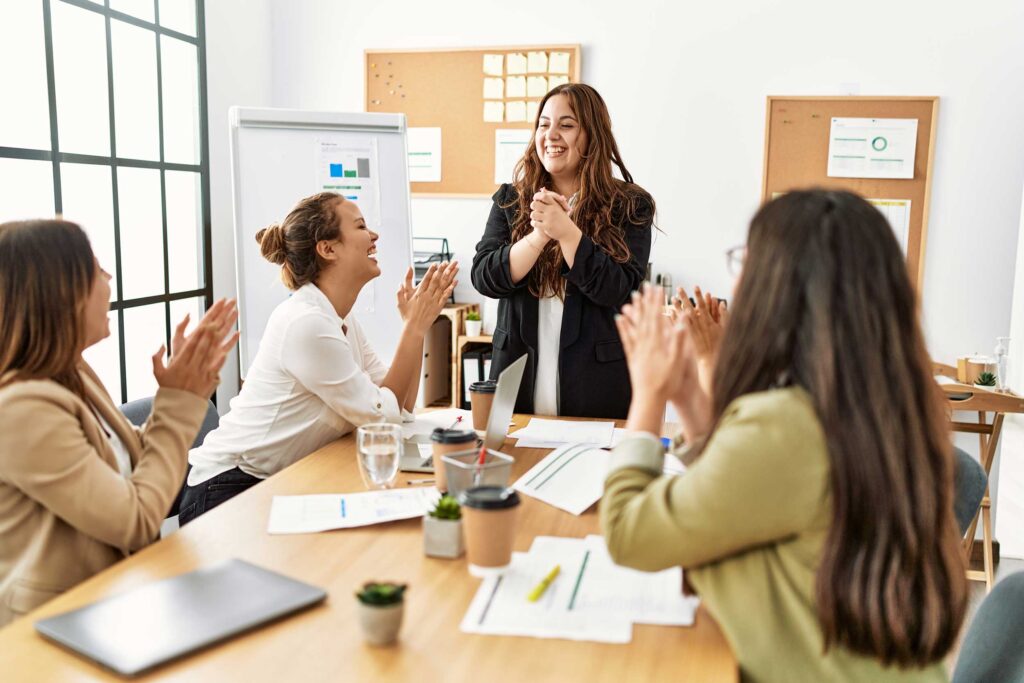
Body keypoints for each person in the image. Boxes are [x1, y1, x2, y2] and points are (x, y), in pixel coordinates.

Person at [603, 190, 966, 681]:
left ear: (780, 289)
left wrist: (646, 392)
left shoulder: (787, 425)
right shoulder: (873, 409)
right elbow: (742, 491)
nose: (737, 280)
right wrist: (688, 397)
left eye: (746, 262)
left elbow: (629, 533)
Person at [0, 219, 237, 625]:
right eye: (94, 269)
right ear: (60, 292)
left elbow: (131, 458)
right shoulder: (20, 410)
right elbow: (136, 519)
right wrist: (179, 402)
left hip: (113, 599)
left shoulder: (74, 372)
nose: (108, 277)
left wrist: (186, 396)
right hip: (53, 628)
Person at [180, 192, 457, 523]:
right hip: (226, 489)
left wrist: (418, 327)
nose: (374, 236)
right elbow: (384, 417)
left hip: (278, 478)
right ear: (328, 248)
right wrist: (413, 328)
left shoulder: (340, 319)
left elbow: (401, 406)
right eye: (360, 226)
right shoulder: (306, 323)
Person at [472, 83, 654, 418]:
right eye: (543, 124)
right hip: (516, 389)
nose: (551, 135)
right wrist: (538, 236)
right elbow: (485, 278)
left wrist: (568, 234)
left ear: (592, 135)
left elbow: (618, 289)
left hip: (596, 391)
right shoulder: (510, 199)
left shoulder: (631, 204)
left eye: (566, 125)